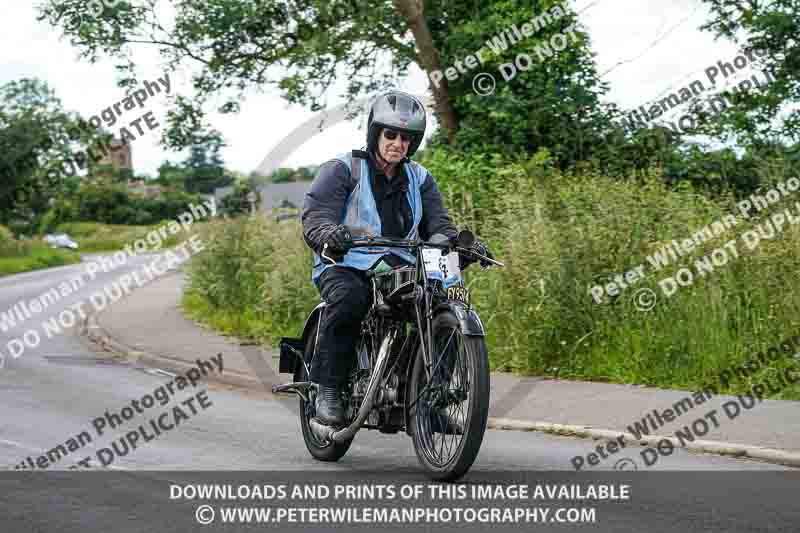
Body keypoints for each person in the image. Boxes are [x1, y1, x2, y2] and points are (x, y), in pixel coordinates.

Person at [301, 90, 491, 429]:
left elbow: (439, 226)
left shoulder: (420, 178)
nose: (398, 143)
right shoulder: (343, 169)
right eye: (391, 134)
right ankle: (329, 388)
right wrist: (329, 232)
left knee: (439, 301)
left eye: (406, 138)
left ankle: (427, 396)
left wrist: (457, 245)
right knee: (349, 299)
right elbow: (316, 216)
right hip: (346, 262)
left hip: (401, 266)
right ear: (376, 133)